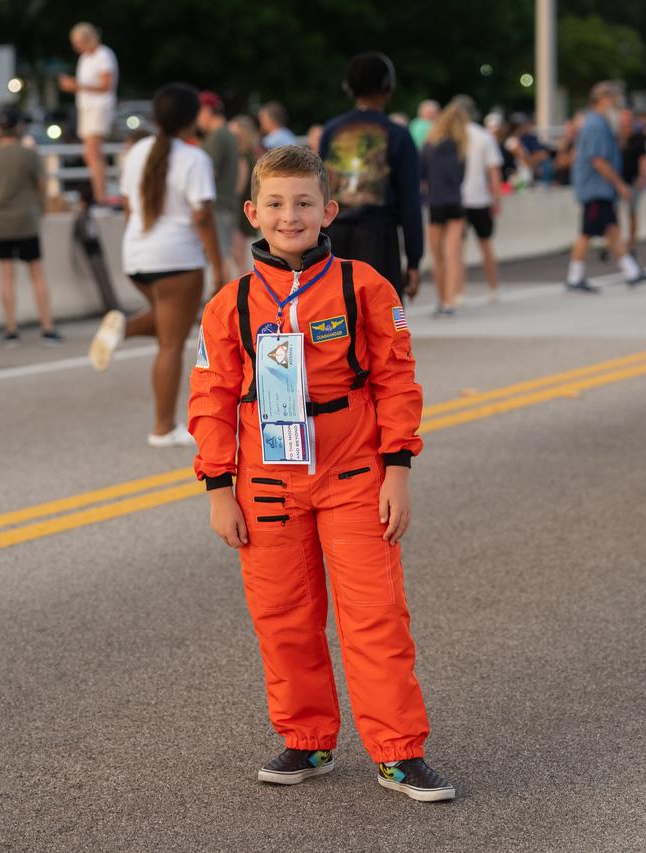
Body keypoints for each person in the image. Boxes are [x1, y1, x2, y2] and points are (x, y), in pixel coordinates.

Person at [187, 144, 455, 802]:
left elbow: (396, 380)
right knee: (283, 617)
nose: (290, 215)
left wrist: (398, 468)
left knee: (374, 616)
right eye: (276, 204)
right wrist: (218, 486)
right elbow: (212, 398)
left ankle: (398, 750)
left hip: (353, 471)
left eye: (304, 203)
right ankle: (307, 739)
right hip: (268, 479)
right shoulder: (231, 303)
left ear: (328, 209)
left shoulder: (365, 286)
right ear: (252, 211)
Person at [88, 83, 222, 447]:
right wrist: (218, 265)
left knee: (167, 323)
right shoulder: (195, 159)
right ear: (193, 119)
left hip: (136, 256)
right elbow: (204, 218)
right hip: (178, 258)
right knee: (171, 344)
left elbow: (130, 207)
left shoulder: (137, 152)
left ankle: (124, 328)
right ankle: (162, 428)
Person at [318, 52, 423, 302]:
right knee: (381, 319)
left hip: (334, 237)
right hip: (379, 237)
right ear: (388, 87)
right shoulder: (397, 134)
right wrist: (414, 258)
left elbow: (318, 189)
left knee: (337, 322)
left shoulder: (332, 131)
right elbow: (410, 201)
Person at [0, 109, 62, 346]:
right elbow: (41, 185)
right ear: (19, 128)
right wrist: (42, 210)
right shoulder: (29, 155)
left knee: (6, 275)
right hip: (25, 219)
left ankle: (11, 329)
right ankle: (47, 328)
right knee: (36, 273)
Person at [565, 82, 646, 294]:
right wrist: (619, 184)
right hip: (596, 188)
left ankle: (631, 272)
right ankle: (574, 276)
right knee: (587, 232)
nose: (616, 103)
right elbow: (598, 160)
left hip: (600, 189)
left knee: (612, 230)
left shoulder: (600, 123)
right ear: (603, 98)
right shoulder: (595, 124)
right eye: (614, 98)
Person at [59, 22, 118, 205]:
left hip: (99, 107)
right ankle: (99, 191)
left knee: (94, 151)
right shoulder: (85, 57)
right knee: (90, 153)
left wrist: (77, 86)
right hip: (87, 107)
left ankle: (102, 195)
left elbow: (106, 85)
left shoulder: (103, 55)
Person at [420, 99, 469, 315]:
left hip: (436, 202)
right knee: (452, 254)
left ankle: (442, 300)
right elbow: (461, 176)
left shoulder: (429, 146)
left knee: (437, 256)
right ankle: (451, 300)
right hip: (455, 202)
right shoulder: (460, 147)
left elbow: (421, 175)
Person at [457, 96, 504, 303]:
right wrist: (496, 198)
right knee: (486, 245)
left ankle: (458, 292)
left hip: (457, 199)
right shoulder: (484, 136)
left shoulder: (453, 136)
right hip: (479, 198)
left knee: (457, 248)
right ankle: (492, 288)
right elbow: (494, 171)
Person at [198, 91, 242, 280]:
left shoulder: (217, 136)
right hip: (227, 203)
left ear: (207, 110)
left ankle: (225, 302)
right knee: (224, 256)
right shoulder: (229, 134)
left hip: (218, 205)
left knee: (220, 258)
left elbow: (209, 172)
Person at [229, 115, 263, 264]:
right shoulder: (253, 154)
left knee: (239, 256)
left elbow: (237, 189)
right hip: (247, 206)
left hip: (240, 211)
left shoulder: (242, 156)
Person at [617, 107, 646, 258]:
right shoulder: (615, 137)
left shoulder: (639, 138)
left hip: (632, 180)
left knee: (632, 213)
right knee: (613, 213)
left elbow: (644, 158)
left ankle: (632, 244)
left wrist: (643, 177)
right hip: (617, 180)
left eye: (628, 119)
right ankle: (614, 243)